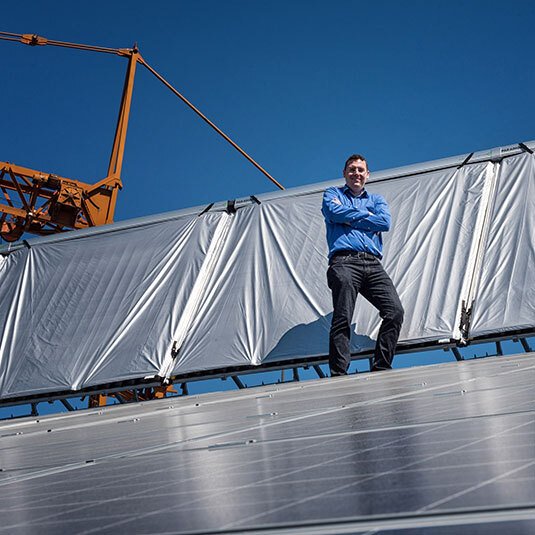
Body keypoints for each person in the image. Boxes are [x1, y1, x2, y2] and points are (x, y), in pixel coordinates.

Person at [322, 154, 404, 375]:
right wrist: (367, 217)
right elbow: (332, 211)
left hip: (372, 263)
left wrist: (349, 218)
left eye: (360, 170)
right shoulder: (333, 194)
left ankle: (381, 367)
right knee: (343, 316)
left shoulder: (377, 200)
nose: (356, 173)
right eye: (352, 169)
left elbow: (384, 222)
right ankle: (339, 373)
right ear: (344, 174)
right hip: (344, 262)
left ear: (367, 174)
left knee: (394, 311)